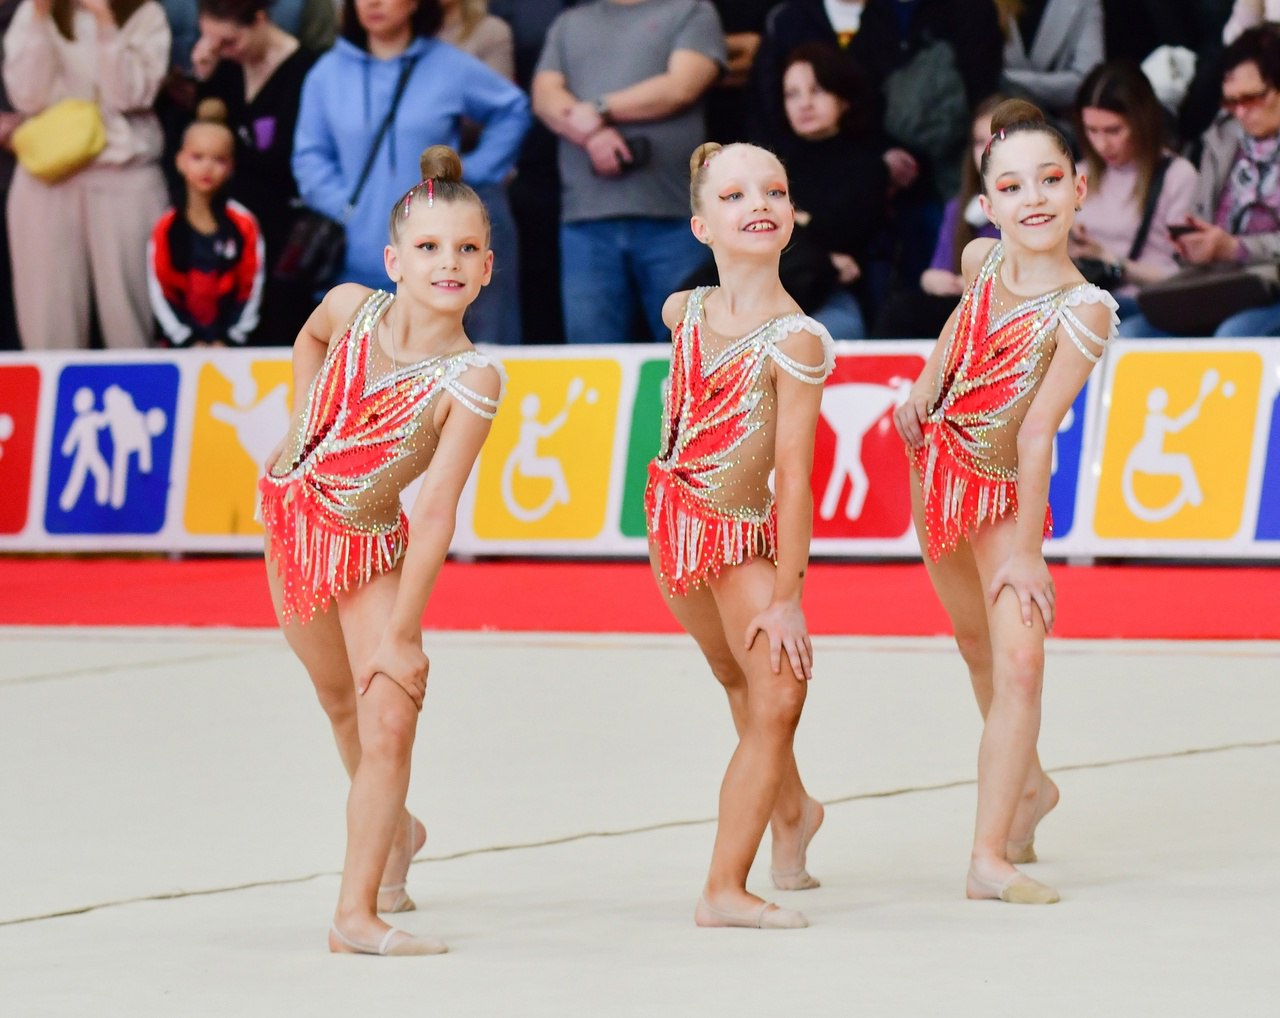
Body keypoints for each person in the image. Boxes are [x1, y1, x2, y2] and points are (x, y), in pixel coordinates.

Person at [259, 145, 505, 956]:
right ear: (394, 259)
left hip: (367, 544)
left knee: (388, 716)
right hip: (292, 522)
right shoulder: (349, 305)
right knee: (340, 705)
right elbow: (306, 339)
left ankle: (354, 916)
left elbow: (435, 509)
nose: (449, 262)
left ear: (488, 268)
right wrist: (300, 422)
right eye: (430, 248)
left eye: (467, 249)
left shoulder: (471, 379)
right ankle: (398, 837)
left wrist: (404, 629)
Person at [893, 99, 1117, 905]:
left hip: (1003, 497)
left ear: (1079, 187)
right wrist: (922, 383)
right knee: (977, 646)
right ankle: (1030, 790)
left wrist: (1028, 552)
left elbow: (1036, 436)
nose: (1035, 200)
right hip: (936, 473)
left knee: (1021, 658)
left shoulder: (1086, 309)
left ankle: (988, 858)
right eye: (1014, 186)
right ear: (986, 205)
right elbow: (958, 326)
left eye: (1050, 180)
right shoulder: (984, 258)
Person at [646, 142, 833, 930]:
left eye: (774, 191)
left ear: (791, 216)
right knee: (738, 682)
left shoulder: (798, 340)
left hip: (736, 539)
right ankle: (793, 814)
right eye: (734, 195)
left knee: (778, 690)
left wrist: (786, 596)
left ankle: (725, 886)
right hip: (672, 529)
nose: (757, 203)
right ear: (700, 224)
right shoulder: (683, 313)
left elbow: (794, 476)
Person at [292, 0, 529, 347]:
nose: (372, 3)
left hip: (437, 263)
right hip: (358, 260)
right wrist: (347, 209)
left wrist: (465, 176)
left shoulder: (448, 65)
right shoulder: (326, 74)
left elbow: (512, 109)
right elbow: (309, 156)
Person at [530, 0, 726, 345]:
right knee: (592, 364)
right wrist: (593, 133)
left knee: (692, 349)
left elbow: (683, 86)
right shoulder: (569, 23)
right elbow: (544, 96)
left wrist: (599, 109)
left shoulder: (691, 10)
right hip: (586, 220)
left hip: (676, 218)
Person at [4, 0, 171, 350]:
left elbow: (128, 96)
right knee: (48, 316)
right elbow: (26, 95)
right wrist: (38, 17)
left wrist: (105, 21)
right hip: (47, 176)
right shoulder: (35, 11)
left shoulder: (146, 14)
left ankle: (141, 396)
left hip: (124, 173)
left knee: (129, 314)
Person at [1120, 24, 1280, 338]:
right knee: (1129, 333)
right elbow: (1203, 218)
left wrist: (1236, 249)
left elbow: (1232, 247)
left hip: (1270, 287)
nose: (1241, 112)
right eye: (1232, 102)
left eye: (1253, 99)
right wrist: (1194, 243)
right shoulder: (1222, 138)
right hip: (1218, 285)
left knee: (1233, 335)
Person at [191, 0, 317, 344]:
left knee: (279, 331)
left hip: (282, 229)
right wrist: (204, 79)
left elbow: (288, 159)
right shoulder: (225, 69)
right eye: (211, 42)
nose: (223, 51)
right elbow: (202, 139)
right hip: (232, 229)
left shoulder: (308, 70)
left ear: (260, 20)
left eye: (229, 42)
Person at [1069, 60, 1199, 320]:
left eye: (1113, 130)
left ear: (1141, 121)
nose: (1102, 144)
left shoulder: (1177, 176)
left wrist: (1112, 262)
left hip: (1148, 303)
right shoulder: (1076, 173)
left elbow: (1190, 278)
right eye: (1091, 130)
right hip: (1082, 302)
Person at [776, 43, 887, 336]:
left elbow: (843, 232)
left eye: (818, 90)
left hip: (832, 295)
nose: (804, 104)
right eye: (792, 94)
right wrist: (826, 257)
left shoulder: (868, 167)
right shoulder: (769, 164)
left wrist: (789, 219)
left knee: (832, 333)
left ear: (844, 98)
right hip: (768, 288)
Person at [873, 93, 1005, 338]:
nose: (986, 153)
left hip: (1017, 314)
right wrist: (933, 280)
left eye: (997, 141)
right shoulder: (959, 207)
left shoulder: (1039, 205)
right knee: (900, 312)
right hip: (966, 309)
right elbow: (937, 272)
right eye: (979, 142)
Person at [436, 0, 522, 345]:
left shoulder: (489, 30)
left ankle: (497, 391)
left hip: (474, 188)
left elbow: (494, 112)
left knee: (489, 316)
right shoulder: (394, 39)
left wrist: (472, 169)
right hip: (413, 192)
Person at [148, 99, 264, 346]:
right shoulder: (166, 227)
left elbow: (251, 287)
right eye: (198, 157)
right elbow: (160, 291)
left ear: (231, 166)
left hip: (234, 350)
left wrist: (231, 338)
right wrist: (186, 340)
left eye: (219, 159)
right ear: (180, 161)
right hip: (179, 350)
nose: (207, 168)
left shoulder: (244, 224)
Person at [995, 0, 1105, 123]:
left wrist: (1007, 79)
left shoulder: (1084, 3)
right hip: (995, 118)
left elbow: (1089, 80)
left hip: (1061, 125)